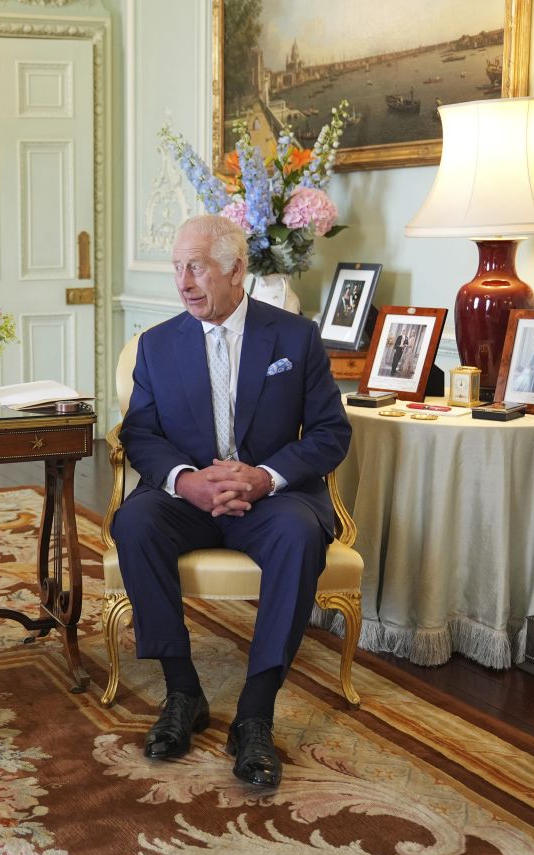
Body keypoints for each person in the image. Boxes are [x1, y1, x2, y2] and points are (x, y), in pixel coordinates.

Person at [112, 214, 351, 790]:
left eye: (196, 267)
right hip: (187, 498)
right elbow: (139, 433)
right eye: (177, 268)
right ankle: (182, 691)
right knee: (136, 521)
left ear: (236, 269)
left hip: (269, 498)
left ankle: (255, 713)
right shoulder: (156, 345)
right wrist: (185, 480)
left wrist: (265, 477)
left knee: (299, 535)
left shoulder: (294, 337)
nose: (183, 282)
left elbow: (330, 433)